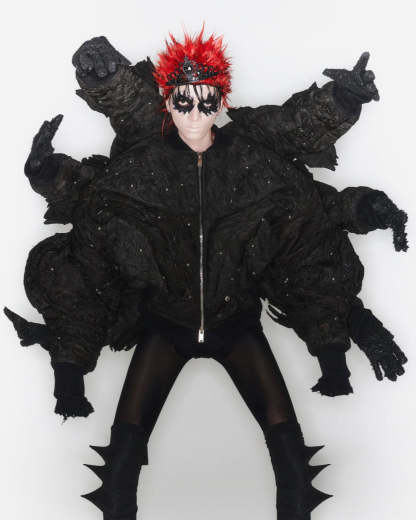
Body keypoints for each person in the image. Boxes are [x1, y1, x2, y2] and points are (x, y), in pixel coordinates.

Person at [4, 27, 408, 520]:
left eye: (206, 99)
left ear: (221, 100)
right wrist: (69, 372)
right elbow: (90, 246)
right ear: (168, 103)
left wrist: (343, 103)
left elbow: (305, 232)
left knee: (289, 456)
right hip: (164, 325)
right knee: (123, 457)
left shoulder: (254, 162)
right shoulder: (139, 167)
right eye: (183, 100)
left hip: (236, 323)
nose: (194, 112)